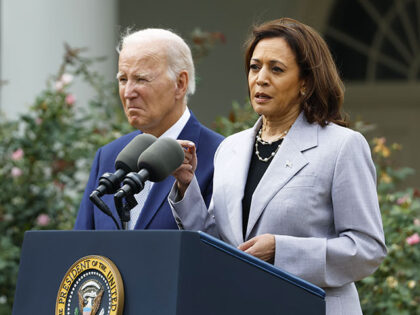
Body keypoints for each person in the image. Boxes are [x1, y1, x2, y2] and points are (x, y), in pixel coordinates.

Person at [169, 18, 387, 314]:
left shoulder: (342, 146)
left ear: (305, 83)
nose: (261, 78)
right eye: (255, 67)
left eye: (277, 69)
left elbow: (366, 250)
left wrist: (281, 251)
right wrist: (186, 185)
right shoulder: (230, 149)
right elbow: (220, 245)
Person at [75, 28, 223, 230]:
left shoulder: (220, 155)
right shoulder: (108, 156)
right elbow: (82, 248)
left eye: (141, 79)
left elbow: (219, 249)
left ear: (180, 84)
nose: (128, 93)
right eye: (123, 79)